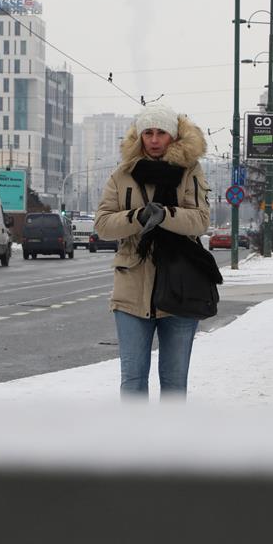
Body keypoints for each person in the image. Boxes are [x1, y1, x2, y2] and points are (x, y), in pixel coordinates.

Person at [95, 104, 211, 399]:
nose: (155, 139)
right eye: (148, 133)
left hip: (181, 285)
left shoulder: (190, 171)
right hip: (132, 288)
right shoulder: (122, 174)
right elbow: (103, 225)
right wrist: (138, 217)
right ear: (140, 136)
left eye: (161, 133)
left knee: (174, 384)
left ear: (173, 136)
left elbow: (200, 221)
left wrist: (165, 215)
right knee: (132, 382)